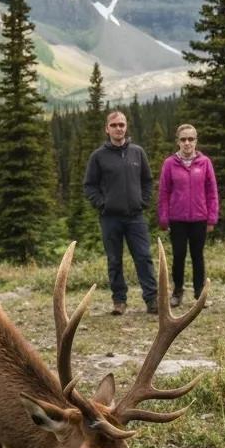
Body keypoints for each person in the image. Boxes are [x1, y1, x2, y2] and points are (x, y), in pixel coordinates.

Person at [83, 110, 158, 315]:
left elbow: (147, 181)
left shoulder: (137, 152)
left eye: (122, 125)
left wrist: (143, 201)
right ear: (107, 129)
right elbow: (89, 186)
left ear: (126, 127)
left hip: (135, 217)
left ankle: (152, 299)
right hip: (110, 218)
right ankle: (119, 301)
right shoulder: (98, 156)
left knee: (143, 257)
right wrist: (102, 204)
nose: (118, 128)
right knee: (114, 260)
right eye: (114, 125)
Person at [156, 124, 219, 307]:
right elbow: (164, 192)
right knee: (178, 255)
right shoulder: (169, 164)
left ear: (196, 141)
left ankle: (200, 294)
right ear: (178, 141)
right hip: (177, 219)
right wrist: (163, 218)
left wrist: (212, 217)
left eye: (191, 139)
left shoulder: (205, 163)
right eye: (183, 139)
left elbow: (212, 192)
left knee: (198, 256)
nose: (187, 143)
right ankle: (177, 292)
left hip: (200, 217)